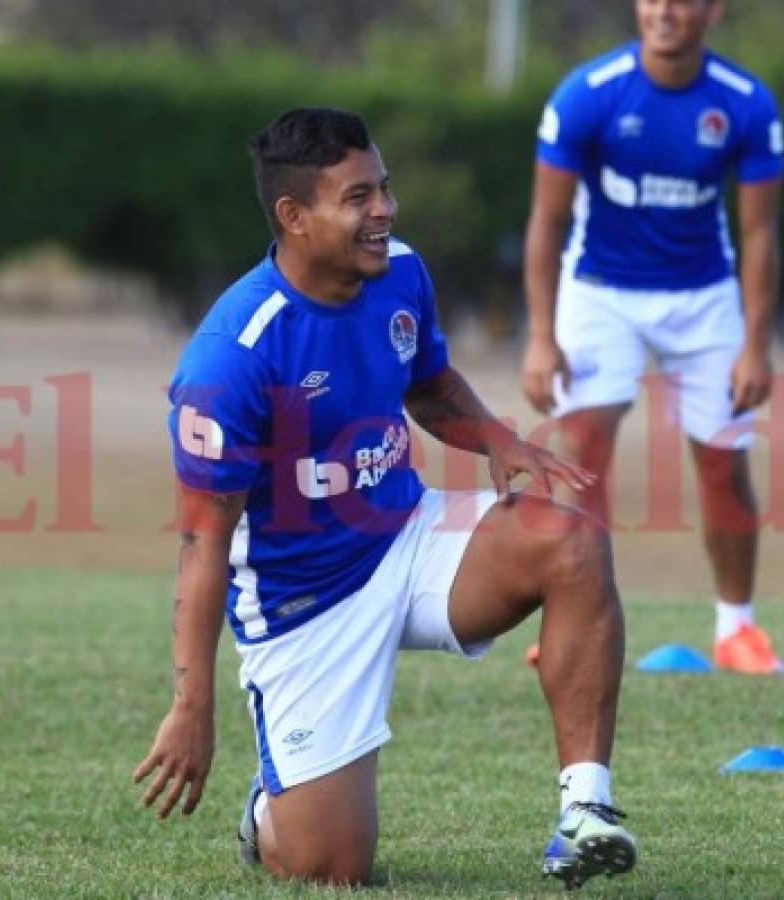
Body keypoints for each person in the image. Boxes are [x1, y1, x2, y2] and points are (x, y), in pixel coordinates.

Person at [131, 107, 637, 890]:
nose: (386, 212)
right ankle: (269, 810)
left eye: (385, 188)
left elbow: (427, 382)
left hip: (406, 533)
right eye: (359, 197)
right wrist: (190, 703)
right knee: (330, 870)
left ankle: (585, 812)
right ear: (293, 217)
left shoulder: (398, 270)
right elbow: (202, 547)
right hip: (305, 605)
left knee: (568, 539)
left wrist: (496, 440)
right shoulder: (229, 360)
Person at [521, 0, 784, 674]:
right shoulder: (586, 95)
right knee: (581, 449)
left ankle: (737, 631)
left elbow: (758, 234)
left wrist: (755, 343)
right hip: (599, 291)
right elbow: (546, 224)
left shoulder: (745, 103)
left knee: (722, 461)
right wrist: (541, 337)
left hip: (704, 298)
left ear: (712, 10)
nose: (664, 11)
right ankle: (575, 622)